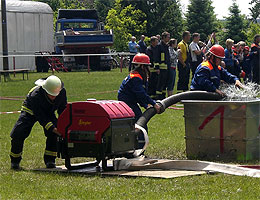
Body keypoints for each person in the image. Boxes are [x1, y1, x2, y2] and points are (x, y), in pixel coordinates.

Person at [10, 75, 67, 170]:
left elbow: (62, 109)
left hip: (48, 112)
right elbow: (41, 117)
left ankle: (50, 160)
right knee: (18, 133)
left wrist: (63, 124)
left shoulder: (61, 92)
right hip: (30, 111)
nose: (53, 97)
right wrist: (53, 128)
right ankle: (15, 161)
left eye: (55, 95)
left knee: (54, 135)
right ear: (45, 90)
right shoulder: (35, 96)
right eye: (51, 94)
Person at [118, 53, 161, 123]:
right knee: (140, 122)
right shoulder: (136, 78)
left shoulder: (138, 76)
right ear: (143, 67)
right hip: (128, 102)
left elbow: (139, 95)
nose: (149, 68)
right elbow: (141, 94)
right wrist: (154, 103)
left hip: (130, 101)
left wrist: (145, 105)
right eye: (148, 66)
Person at [156, 32, 171, 100]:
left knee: (165, 83)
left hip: (167, 68)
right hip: (161, 69)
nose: (169, 38)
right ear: (164, 37)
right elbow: (156, 57)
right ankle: (158, 97)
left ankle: (163, 97)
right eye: (168, 37)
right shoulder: (159, 46)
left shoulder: (166, 46)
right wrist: (157, 67)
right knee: (160, 83)